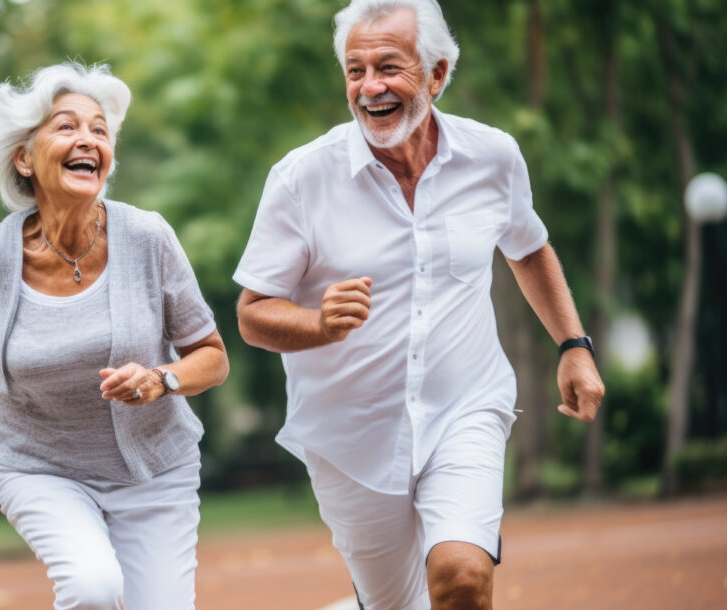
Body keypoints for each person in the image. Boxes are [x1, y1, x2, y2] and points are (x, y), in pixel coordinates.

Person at [233, 1, 605, 608]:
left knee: (461, 577)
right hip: (352, 435)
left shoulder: (493, 158)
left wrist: (574, 348)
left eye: (389, 66)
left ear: (437, 74)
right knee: (394, 604)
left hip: (466, 407)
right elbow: (251, 314)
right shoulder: (301, 178)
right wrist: (319, 323)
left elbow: (529, 249)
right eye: (355, 70)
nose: (370, 87)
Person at [0, 61, 228, 610]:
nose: (87, 139)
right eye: (66, 126)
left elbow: (211, 356)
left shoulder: (147, 237)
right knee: (91, 587)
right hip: (40, 469)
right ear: (23, 157)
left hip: (156, 472)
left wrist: (162, 378)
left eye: (99, 130)